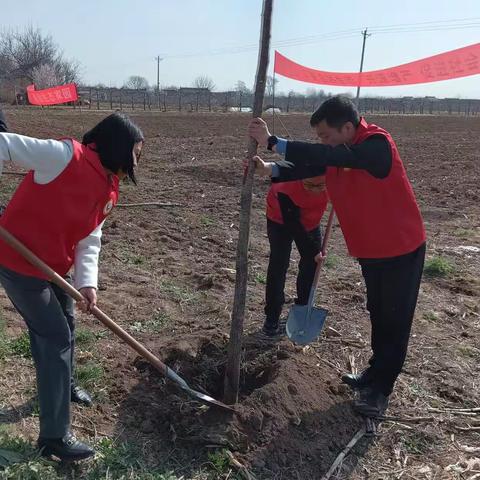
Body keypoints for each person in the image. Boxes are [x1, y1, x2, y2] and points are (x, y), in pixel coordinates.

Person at [247, 95, 426, 417]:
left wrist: (274, 141)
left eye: (326, 136)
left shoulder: (377, 146)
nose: (323, 143)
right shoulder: (341, 153)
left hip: (400, 248)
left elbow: (325, 155)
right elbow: (306, 166)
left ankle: (381, 390)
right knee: (377, 311)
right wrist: (269, 169)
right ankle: (373, 372)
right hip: (372, 250)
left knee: (395, 318)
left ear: (347, 127)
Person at [0, 112, 144, 461]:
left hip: (55, 266)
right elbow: (4, 144)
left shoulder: (109, 185)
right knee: (54, 336)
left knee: (64, 324)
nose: (131, 166)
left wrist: (87, 282)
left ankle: (59, 387)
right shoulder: (64, 156)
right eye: (132, 157)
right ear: (115, 146)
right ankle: (53, 438)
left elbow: (90, 235)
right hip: (19, 261)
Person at [262, 176, 328, 336]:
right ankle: (272, 317)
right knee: (279, 263)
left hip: (311, 219)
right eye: (309, 185)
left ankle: (303, 306)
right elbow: (293, 224)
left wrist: (313, 254)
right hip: (280, 218)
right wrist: (313, 251)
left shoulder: (334, 177)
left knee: (311, 265)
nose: (315, 189)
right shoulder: (286, 184)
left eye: (320, 185)